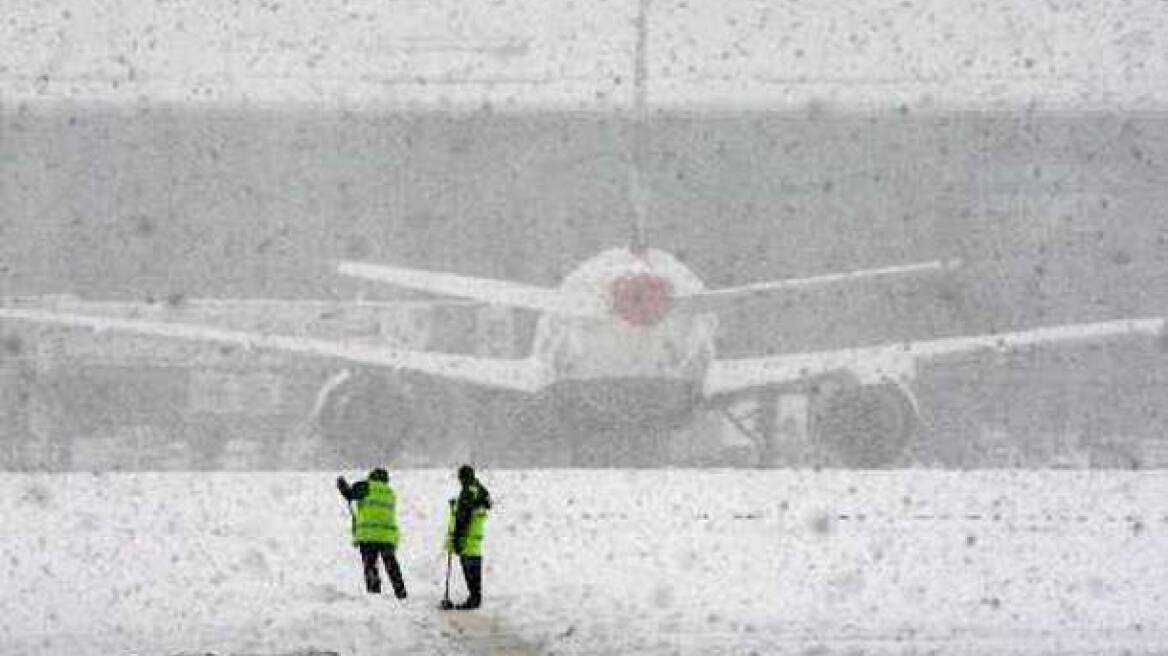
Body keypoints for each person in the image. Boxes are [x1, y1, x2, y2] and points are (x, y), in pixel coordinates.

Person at [337, 467, 408, 599]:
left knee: (370, 565)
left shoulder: (366, 486)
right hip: (387, 536)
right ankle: (401, 592)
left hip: (369, 535)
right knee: (391, 565)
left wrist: (341, 484)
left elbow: (349, 494)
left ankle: (374, 593)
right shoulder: (390, 492)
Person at [445, 464, 491, 610]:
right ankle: (476, 597)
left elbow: (463, 517)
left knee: (468, 566)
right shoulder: (479, 489)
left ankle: (474, 598)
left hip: (468, 535)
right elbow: (487, 502)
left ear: (462, 478)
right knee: (475, 566)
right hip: (477, 534)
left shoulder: (467, 491)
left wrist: (457, 538)